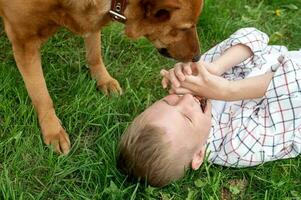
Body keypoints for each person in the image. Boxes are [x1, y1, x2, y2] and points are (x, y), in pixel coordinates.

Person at [117, 28, 301, 187]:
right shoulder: (239, 146)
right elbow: (296, 81)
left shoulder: (197, 91)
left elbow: (255, 37)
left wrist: (215, 67)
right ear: (198, 154)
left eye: (169, 101)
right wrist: (228, 90)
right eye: (188, 118)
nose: (186, 100)